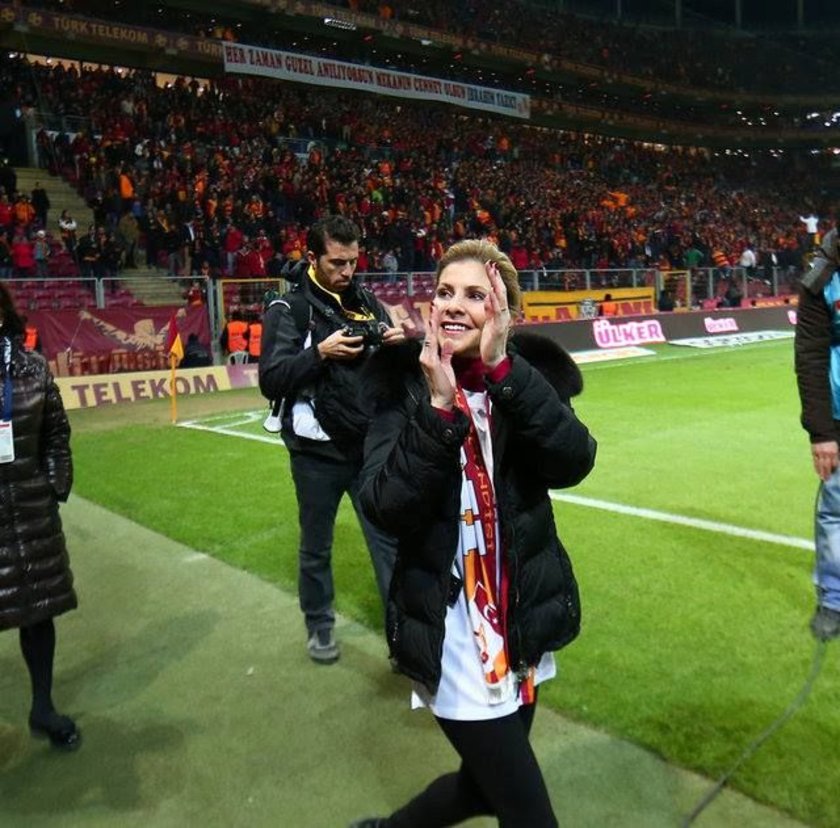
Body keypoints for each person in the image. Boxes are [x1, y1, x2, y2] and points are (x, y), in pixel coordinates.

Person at [352, 240, 596, 827]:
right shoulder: (402, 386)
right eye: (445, 292)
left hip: (519, 621)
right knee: (530, 815)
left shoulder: (524, 382)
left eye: (475, 295)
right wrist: (438, 408)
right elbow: (383, 507)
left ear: (503, 313)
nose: (455, 305)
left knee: (482, 789)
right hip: (455, 633)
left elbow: (573, 460)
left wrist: (507, 373)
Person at [259, 215, 403, 665]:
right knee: (316, 545)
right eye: (337, 263)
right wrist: (319, 353)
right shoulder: (289, 309)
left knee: (388, 543)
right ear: (312, 258)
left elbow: (387, 368)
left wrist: (396, 344)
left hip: (368, 447)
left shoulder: (366, 302)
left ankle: (403, 637)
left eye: (353, 261)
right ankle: (319, 626)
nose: (347, 271)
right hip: (315, 454)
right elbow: (271, 378)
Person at [0, 280, 81, 750]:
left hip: (31, 511)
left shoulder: (32, 369)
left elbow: (56, 435)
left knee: (36, 612)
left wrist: (53, 487)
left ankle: (43, 707)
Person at [794, 233, 840, 641]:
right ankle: (834, 599)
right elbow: (809, 355)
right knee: (835, 511)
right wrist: (822, 432)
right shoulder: (823, 277)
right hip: (839, 416)